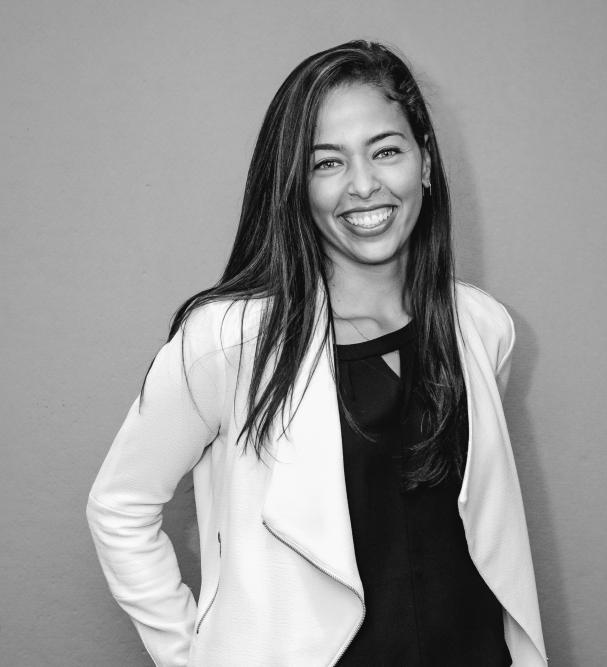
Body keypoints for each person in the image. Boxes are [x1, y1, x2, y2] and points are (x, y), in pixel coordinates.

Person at [86, 40, 547, 666]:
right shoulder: (231, 341)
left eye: (386, 151)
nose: (364, 185)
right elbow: (119, 507)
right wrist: (188, 657)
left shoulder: (481, 326)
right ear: (296, 184)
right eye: (327, 163)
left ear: (427, 164)